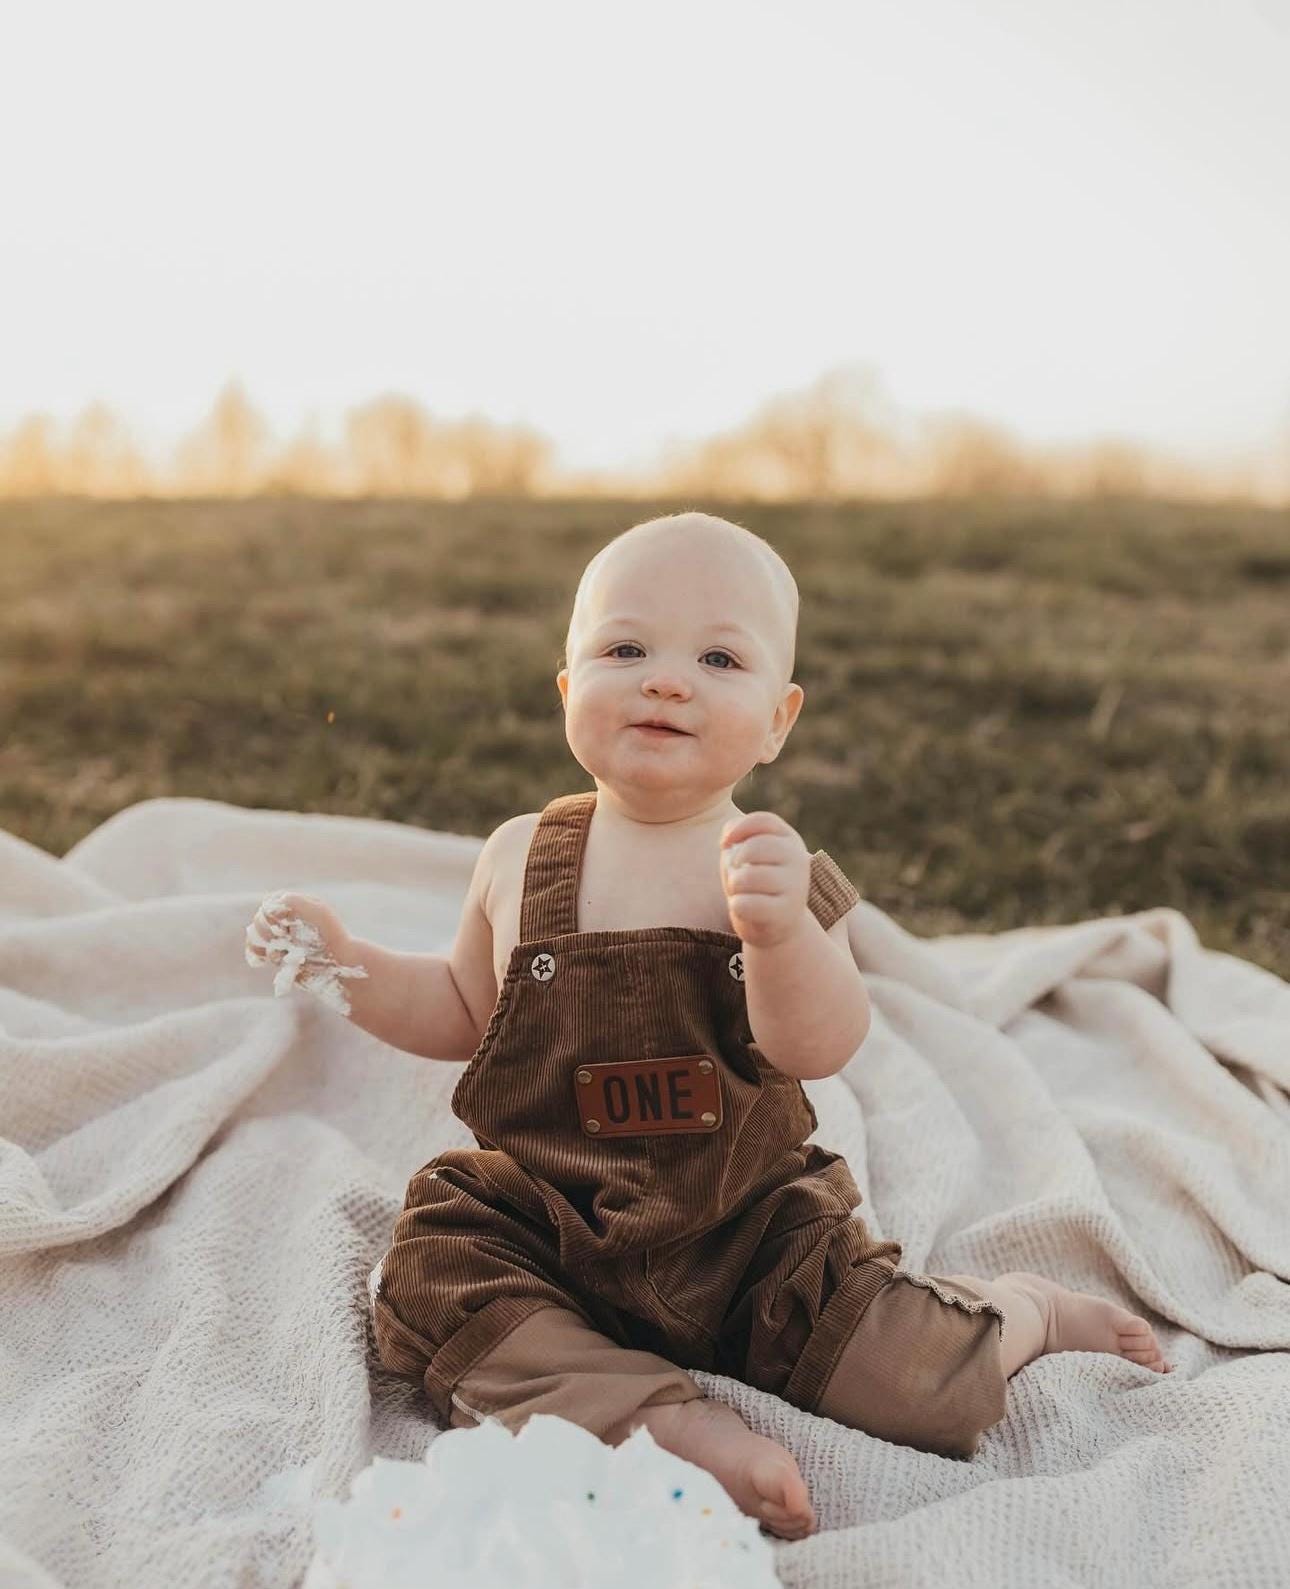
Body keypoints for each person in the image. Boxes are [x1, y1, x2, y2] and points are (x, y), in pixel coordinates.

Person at [247, 511, 1170, 1540]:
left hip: (746, 1235)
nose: (666, 682)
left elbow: (821, 1043)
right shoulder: (518, 854)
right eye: (625, 649)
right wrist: (346, 964)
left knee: (920, 1381)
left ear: (777, 720)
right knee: (427, 1275)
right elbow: (463, 1004)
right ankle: (661, 1422)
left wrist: (781, 938)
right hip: (549, 1213)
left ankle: (1025, 1310)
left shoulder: (774, 870)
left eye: (717, 658)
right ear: (568, 688)